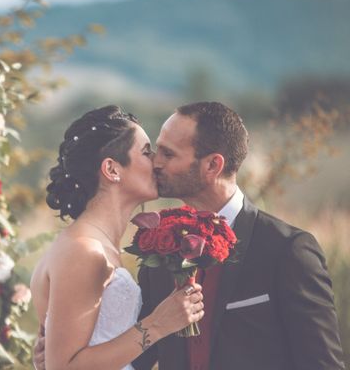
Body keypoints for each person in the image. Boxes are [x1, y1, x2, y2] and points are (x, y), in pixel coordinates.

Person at [34, 101, 345, 370]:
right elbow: (138, 354)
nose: (156, 162)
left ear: (212, 165)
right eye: (150, 151)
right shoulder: (158, 249)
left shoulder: (286, 250)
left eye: (166, 154)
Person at [29, 105, 205, 370]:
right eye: (146, 152)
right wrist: (157, 325)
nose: (157, 162)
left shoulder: (98, 245)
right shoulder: (84, 251)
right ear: (112, 169)